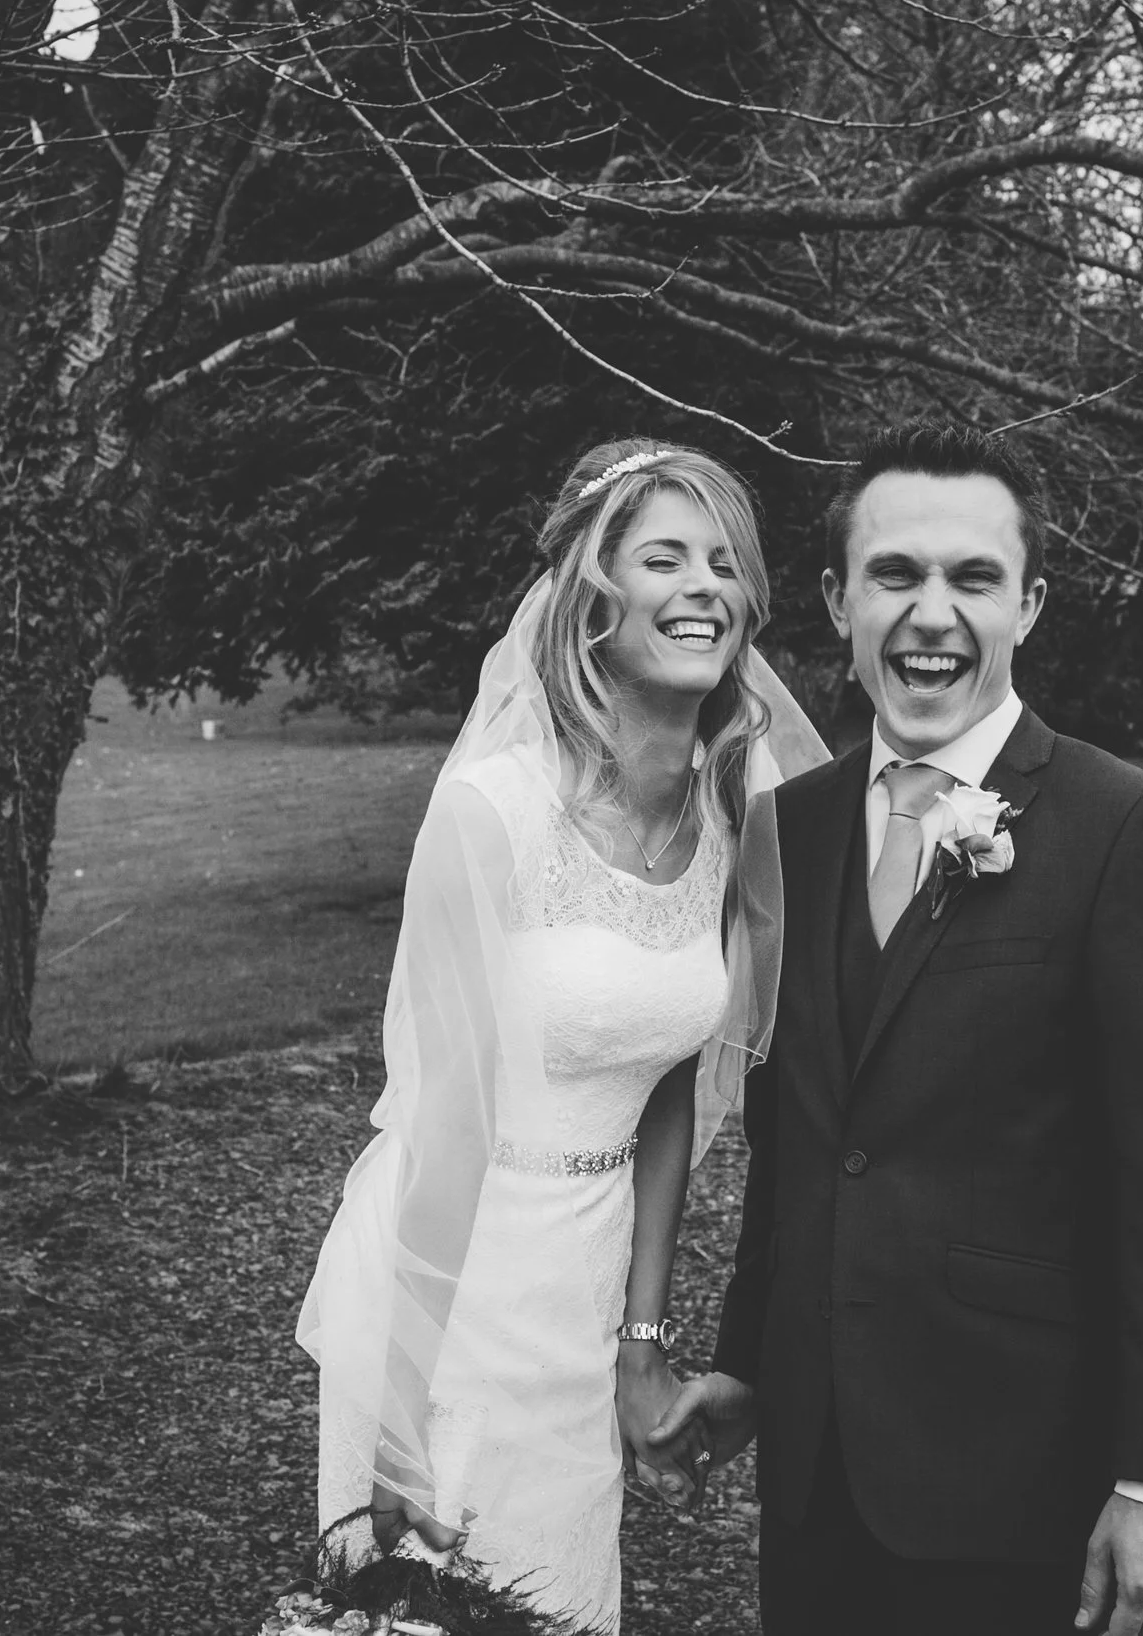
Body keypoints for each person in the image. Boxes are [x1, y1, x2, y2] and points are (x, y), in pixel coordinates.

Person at [654, 424, 1143, 1635]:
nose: (933, 614)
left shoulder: (1126, 829)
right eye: (895, 574)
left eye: (973, 579)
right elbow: (797, 1128)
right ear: (835, 600)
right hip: (815, 1482)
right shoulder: (790, 828)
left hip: (1017, 1477)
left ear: (1028, 603)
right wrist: (750, 1360)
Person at [295, 439, 829, 1631]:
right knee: (425, 1605)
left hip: (582, 1287)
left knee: (569, 1606)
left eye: (726, 563)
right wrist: (398, 1417)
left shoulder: (727, 819)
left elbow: (673, 1093)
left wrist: (639, 1340)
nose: (708, 585)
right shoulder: (492, 812)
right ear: (595, 596)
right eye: (665, 557)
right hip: (452, 1285)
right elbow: (444, 1123)